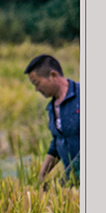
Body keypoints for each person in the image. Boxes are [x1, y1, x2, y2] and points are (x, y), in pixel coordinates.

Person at [24, 54, 80, 185]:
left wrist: (74, 172)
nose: (36, 89)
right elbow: (57, 143)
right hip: (74, 183)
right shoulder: (52, 108)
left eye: (37, 83)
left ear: (53, 75)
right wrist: (42, 176)